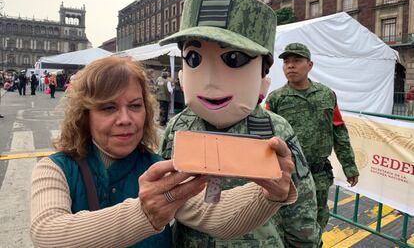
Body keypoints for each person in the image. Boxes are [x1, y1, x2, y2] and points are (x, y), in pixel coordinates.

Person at [30, 56, 298, 248]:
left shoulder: (160, 168)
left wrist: (269, 194)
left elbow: (214, 215)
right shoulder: (55, 168)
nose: (125, 119)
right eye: (108, 108)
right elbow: (47, 233)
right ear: (83, 115)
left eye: (135, 106)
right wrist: (144, 215)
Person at [160, 0, 321, 247]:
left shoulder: (275, 131)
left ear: (263, 74)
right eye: (194, 58)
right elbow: (163, 195)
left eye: (233, 59)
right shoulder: (178, 127)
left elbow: (301, 202)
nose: (211, 79)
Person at [266, 42, 359, 235]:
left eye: (297, 60)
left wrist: (349, 165)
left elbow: (339, 131)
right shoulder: (276, 98)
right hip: (288, 176)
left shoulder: (326, 95)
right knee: (286, 224)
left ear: (310, 65)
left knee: (318, 221)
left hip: (319, 175)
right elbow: (266, 138)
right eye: (286, 62)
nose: (290, 65)